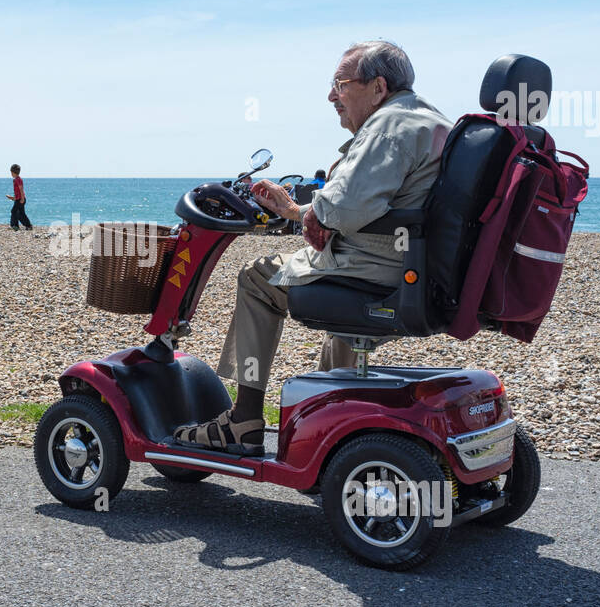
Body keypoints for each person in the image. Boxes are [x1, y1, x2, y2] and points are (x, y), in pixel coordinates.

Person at [173, 40, 450, 456]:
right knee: (334, 320)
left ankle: (244, 419)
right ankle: (331, 421)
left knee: (256, 278)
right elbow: (357, 207)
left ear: (377, 86)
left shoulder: (389, 127)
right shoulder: (429, 120)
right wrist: (299, 211)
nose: (331, 96)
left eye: (341, 84)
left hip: (377, 270)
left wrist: (302, 213)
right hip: (416, 267)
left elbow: (341, 208)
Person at [7, 164, 32, 230]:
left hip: (20, 199)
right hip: (18, 199)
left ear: (13, 172)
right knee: (21, 213)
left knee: (14, 211)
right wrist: (12, 198)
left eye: (11, 173)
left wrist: (22, 198)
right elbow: (17, 192)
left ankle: (15, 226)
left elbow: (21, 189)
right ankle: (28, 226)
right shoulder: (16, 179)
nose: (11, 174)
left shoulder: (18, 179)